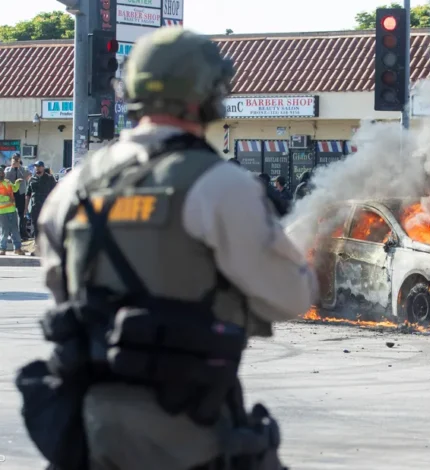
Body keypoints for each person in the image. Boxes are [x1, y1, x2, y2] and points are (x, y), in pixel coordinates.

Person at [22, 28, 317, 470]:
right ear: (207, 95)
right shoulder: (220, 184)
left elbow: (61, 289)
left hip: (87, 431)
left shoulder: (73, 187)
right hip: (188, 431)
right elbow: (291, 297)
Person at [26, 160, 56, 240]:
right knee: (35, 224)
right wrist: (26, 208)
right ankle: (37, 243)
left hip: (47, 206)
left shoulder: (49, 178)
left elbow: (55, 192)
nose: (37, 168)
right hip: (35, 206)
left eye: (39, 166)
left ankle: (47, 243)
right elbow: (28, 194)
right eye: (36, 167)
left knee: (47, 225)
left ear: (43, 167)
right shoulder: (31, 179)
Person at [5, 153, 31, 239]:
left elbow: (27, 176)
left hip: (21, 193)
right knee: (9, 214)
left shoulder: (24, 168)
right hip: (10, 194)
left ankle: (22, 233)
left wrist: (19, 166)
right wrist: (12, 167)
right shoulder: (8, 169)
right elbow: (6, 178)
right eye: (14, 159)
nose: (15, 160)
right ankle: (9, 233)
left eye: (17, 159)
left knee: (22, 214)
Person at [0, 170, 24, 255]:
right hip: (2, 211)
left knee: (15, 230)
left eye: (2, 172)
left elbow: (14, 189)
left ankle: (17, 248)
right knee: (5, 230)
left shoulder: (7, 182)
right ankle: (2, 248)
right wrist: (7, 198)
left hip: (12, 209)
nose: (1, 174)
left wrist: (17, 183)